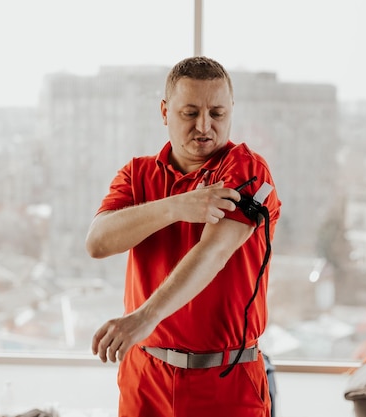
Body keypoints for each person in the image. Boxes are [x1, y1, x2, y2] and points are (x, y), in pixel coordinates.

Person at [85, 56, 281, 417]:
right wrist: (176, 206)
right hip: (145, 378)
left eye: (217, 114)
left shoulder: (247, 170)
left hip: (226, 380)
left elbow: (214, 252)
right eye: (190, 113)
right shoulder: (136, 174)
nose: (204, 126)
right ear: (164, 112)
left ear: (231, 112)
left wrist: (143, 317)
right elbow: (98, 242)